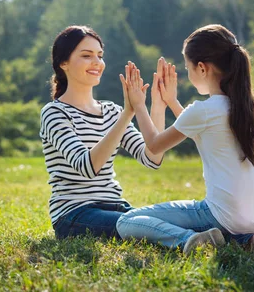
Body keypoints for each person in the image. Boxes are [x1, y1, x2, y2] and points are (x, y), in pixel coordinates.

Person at [118, 24, 254, 254]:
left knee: (127, 221)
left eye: (188, 68)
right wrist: (171, 101)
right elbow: (198, 128)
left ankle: (192, 239)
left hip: (222, 215)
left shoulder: (204, 111)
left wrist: (138, 106)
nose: (188, 74)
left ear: (202, 68)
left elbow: (154, 145)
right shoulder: (245, 108)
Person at [39, 25, 168, 240]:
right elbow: (87, 167)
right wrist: (127, 114)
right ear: (64, 63)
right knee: (146, 226)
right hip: (74, 214)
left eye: (100, 55)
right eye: (86, 55)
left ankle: (234, 237)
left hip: (116, 208)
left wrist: (157, 105)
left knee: (166, 218)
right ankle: (188, 241)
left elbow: (152, 158)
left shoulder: (111, 111)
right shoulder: (54, 113)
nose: (97, 62)